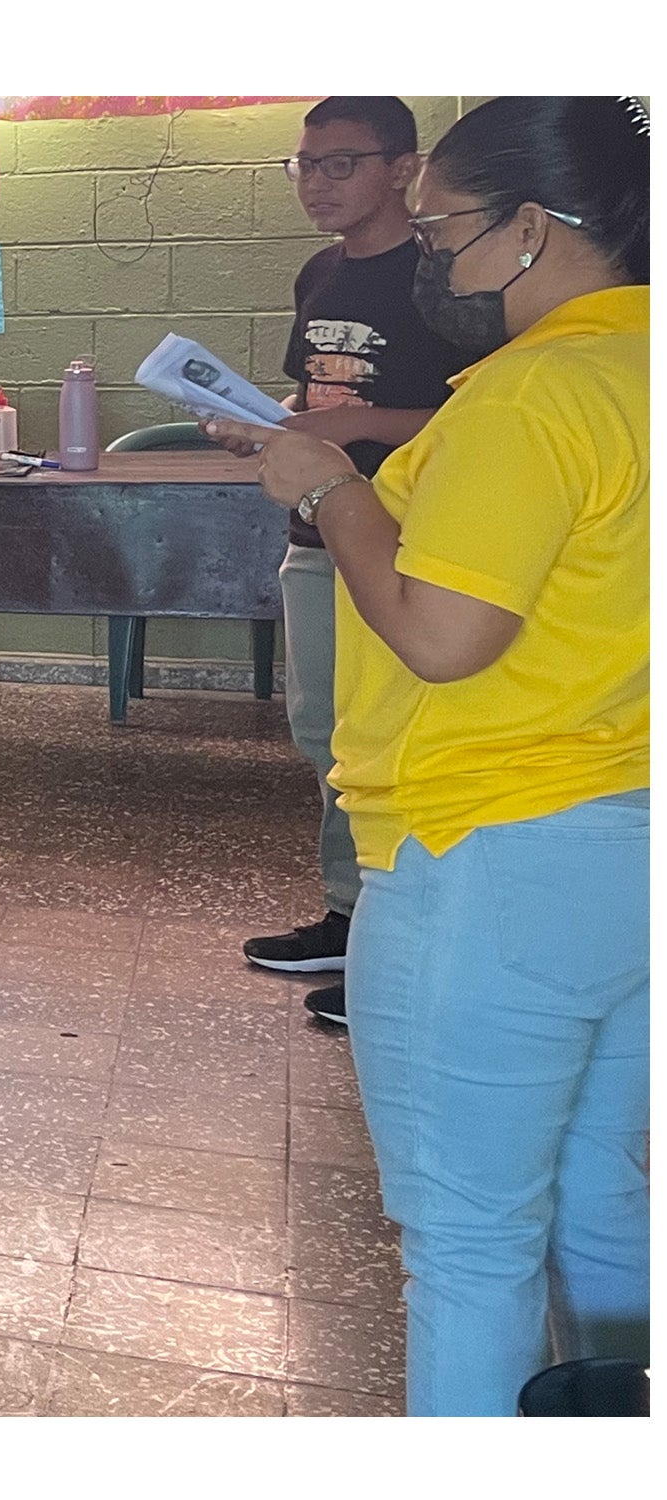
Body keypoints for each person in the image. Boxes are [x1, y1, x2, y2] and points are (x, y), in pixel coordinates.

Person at [204, 95, 648, 1418]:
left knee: (469, 1248)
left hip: (490, 852)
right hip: (630, 833)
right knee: (599, 1185)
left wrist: (328, 488)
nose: (439, 263)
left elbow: (444, 636)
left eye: (452, 232)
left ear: (532, 230)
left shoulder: (536, 392)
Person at [204, 98, 471, 1028]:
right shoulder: (320, 271)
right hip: (316, 533)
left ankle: (398, 953)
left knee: (398, 743)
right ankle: (349, 917)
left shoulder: (450, 277)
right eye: (305, 165)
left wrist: (352, 427)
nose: (317, 183)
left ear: (403, 168)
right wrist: (266, 420)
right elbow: (321, 389)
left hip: (413, 539)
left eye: (341, 164)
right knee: (328, 738)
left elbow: (478, 418)